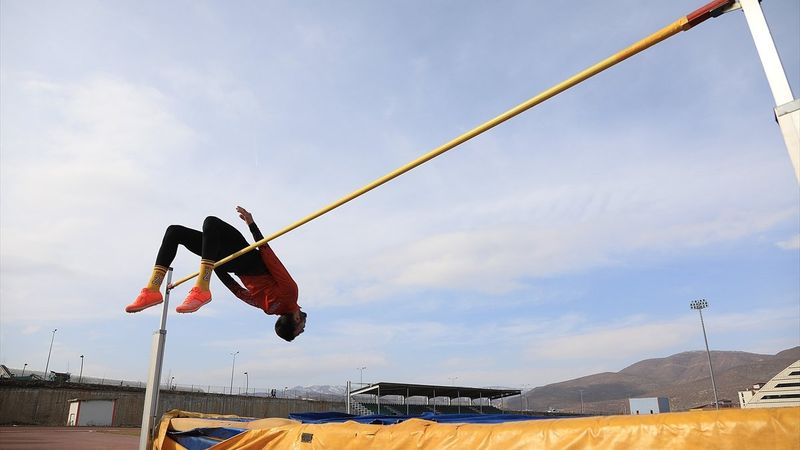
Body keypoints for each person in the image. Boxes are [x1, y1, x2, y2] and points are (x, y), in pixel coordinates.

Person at [125, 206, 306, 341]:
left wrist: (252, 225)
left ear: (296, 319)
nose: (304, 329)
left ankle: (199, 287)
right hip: (230, 264)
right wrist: (216, 266)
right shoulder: (269, 309)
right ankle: (153, 289)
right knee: (175, 232)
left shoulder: (291, 293)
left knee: (209, 223)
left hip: (244, 255)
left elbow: (269, 255)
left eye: (300, 330)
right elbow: (237, 291)